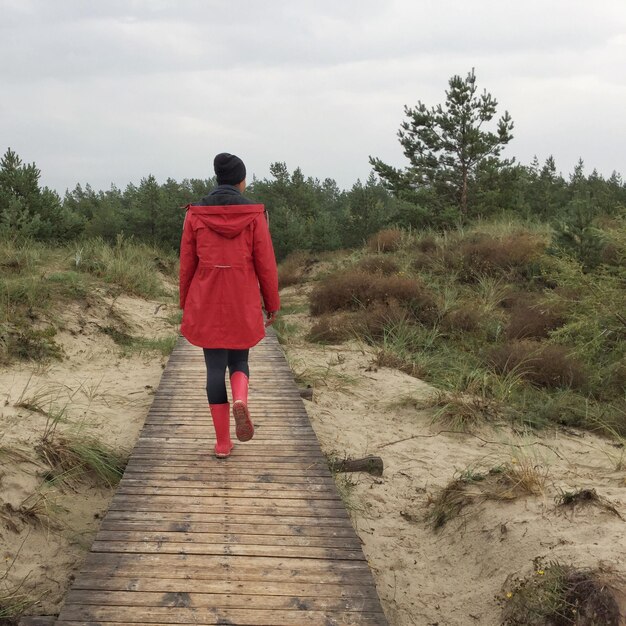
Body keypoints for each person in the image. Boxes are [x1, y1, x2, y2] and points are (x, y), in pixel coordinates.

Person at [179, 153, 280, 458]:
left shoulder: (195, 214)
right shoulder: (254, 215)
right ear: (241, 180)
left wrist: (186, 303)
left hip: (206, 298)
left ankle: (223, 443)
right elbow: (266, 264)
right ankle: (241, 399)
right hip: (243, 297)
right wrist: (271, 303)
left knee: (213, 369)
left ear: (217, 178)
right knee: (239, 360)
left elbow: (187, 264)